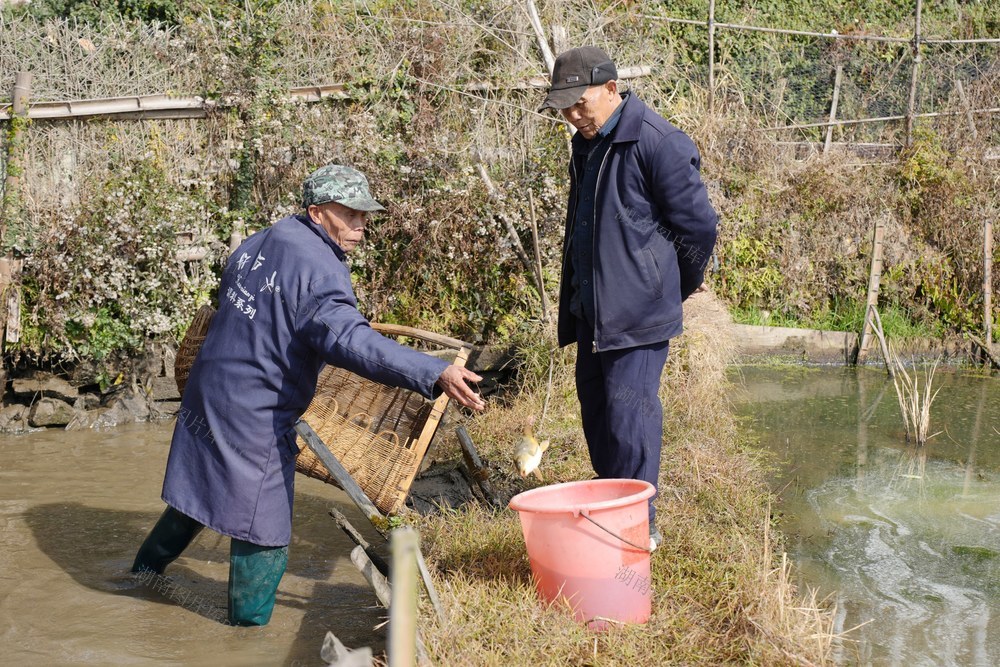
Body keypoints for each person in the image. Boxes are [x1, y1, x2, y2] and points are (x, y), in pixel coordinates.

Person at [132, 164, 485, 626]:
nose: (361, 226)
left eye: (365, 215)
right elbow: (354, 343)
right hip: (254, 412)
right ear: (317, 212)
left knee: (200, 490)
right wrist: (433, 370)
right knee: (264, 522)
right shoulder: (320, 273)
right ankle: (246, 632)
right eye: (350, 214)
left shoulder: (266, 238)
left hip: (208, 389)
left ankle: (143, 575)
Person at [539, 46, 718, 551]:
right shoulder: (587, 143)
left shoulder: (657, 143)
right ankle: (609, 508)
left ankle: (639, 526)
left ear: (612, 90)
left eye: (581, 103)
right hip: (592, 312)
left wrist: (672, 285)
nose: (574, 116)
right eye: (566, 108)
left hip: (638, 315)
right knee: (597, 414)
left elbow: (699, 227)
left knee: (630, 420)